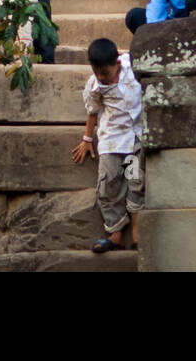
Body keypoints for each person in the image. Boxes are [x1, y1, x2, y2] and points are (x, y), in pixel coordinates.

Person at [71, 37, 143, 254]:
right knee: (108, 184)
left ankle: (138, 231)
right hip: (111, 141)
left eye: (106, 73)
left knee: (135, 181)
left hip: (134, 141)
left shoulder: (132, 68)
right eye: (97, 72)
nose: (101, 77)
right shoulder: (94, 86)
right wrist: (87, 139)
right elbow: (92, 112)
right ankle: (115, 233)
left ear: (117, 64)